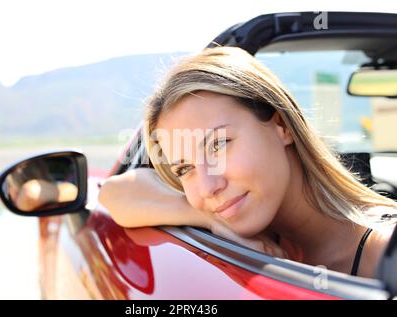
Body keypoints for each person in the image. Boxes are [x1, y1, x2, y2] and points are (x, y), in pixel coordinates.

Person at [98, 46, 397, 279]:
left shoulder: (384, 252)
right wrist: (206, 217)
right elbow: (113, 193)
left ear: (282, 125)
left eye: (218, 144)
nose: (208, 187)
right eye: (184, 168)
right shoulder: (244, 227)